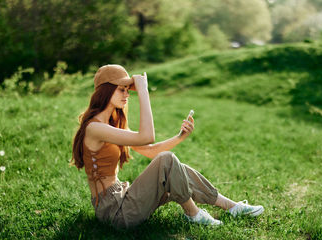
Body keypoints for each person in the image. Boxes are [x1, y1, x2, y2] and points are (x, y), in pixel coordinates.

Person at [71, 64, 264, 228]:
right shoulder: (95, 128)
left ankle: (232, 207)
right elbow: (147, 136)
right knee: (167, 160)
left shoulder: (109, 126)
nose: (127, 94)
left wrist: (180, 137)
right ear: (106, 90)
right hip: (114, 213)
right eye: (122, 89)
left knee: (175, 168)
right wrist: (144, 92)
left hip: (123, 198)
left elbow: (150, 149)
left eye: (127, 89)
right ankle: (193, 214)